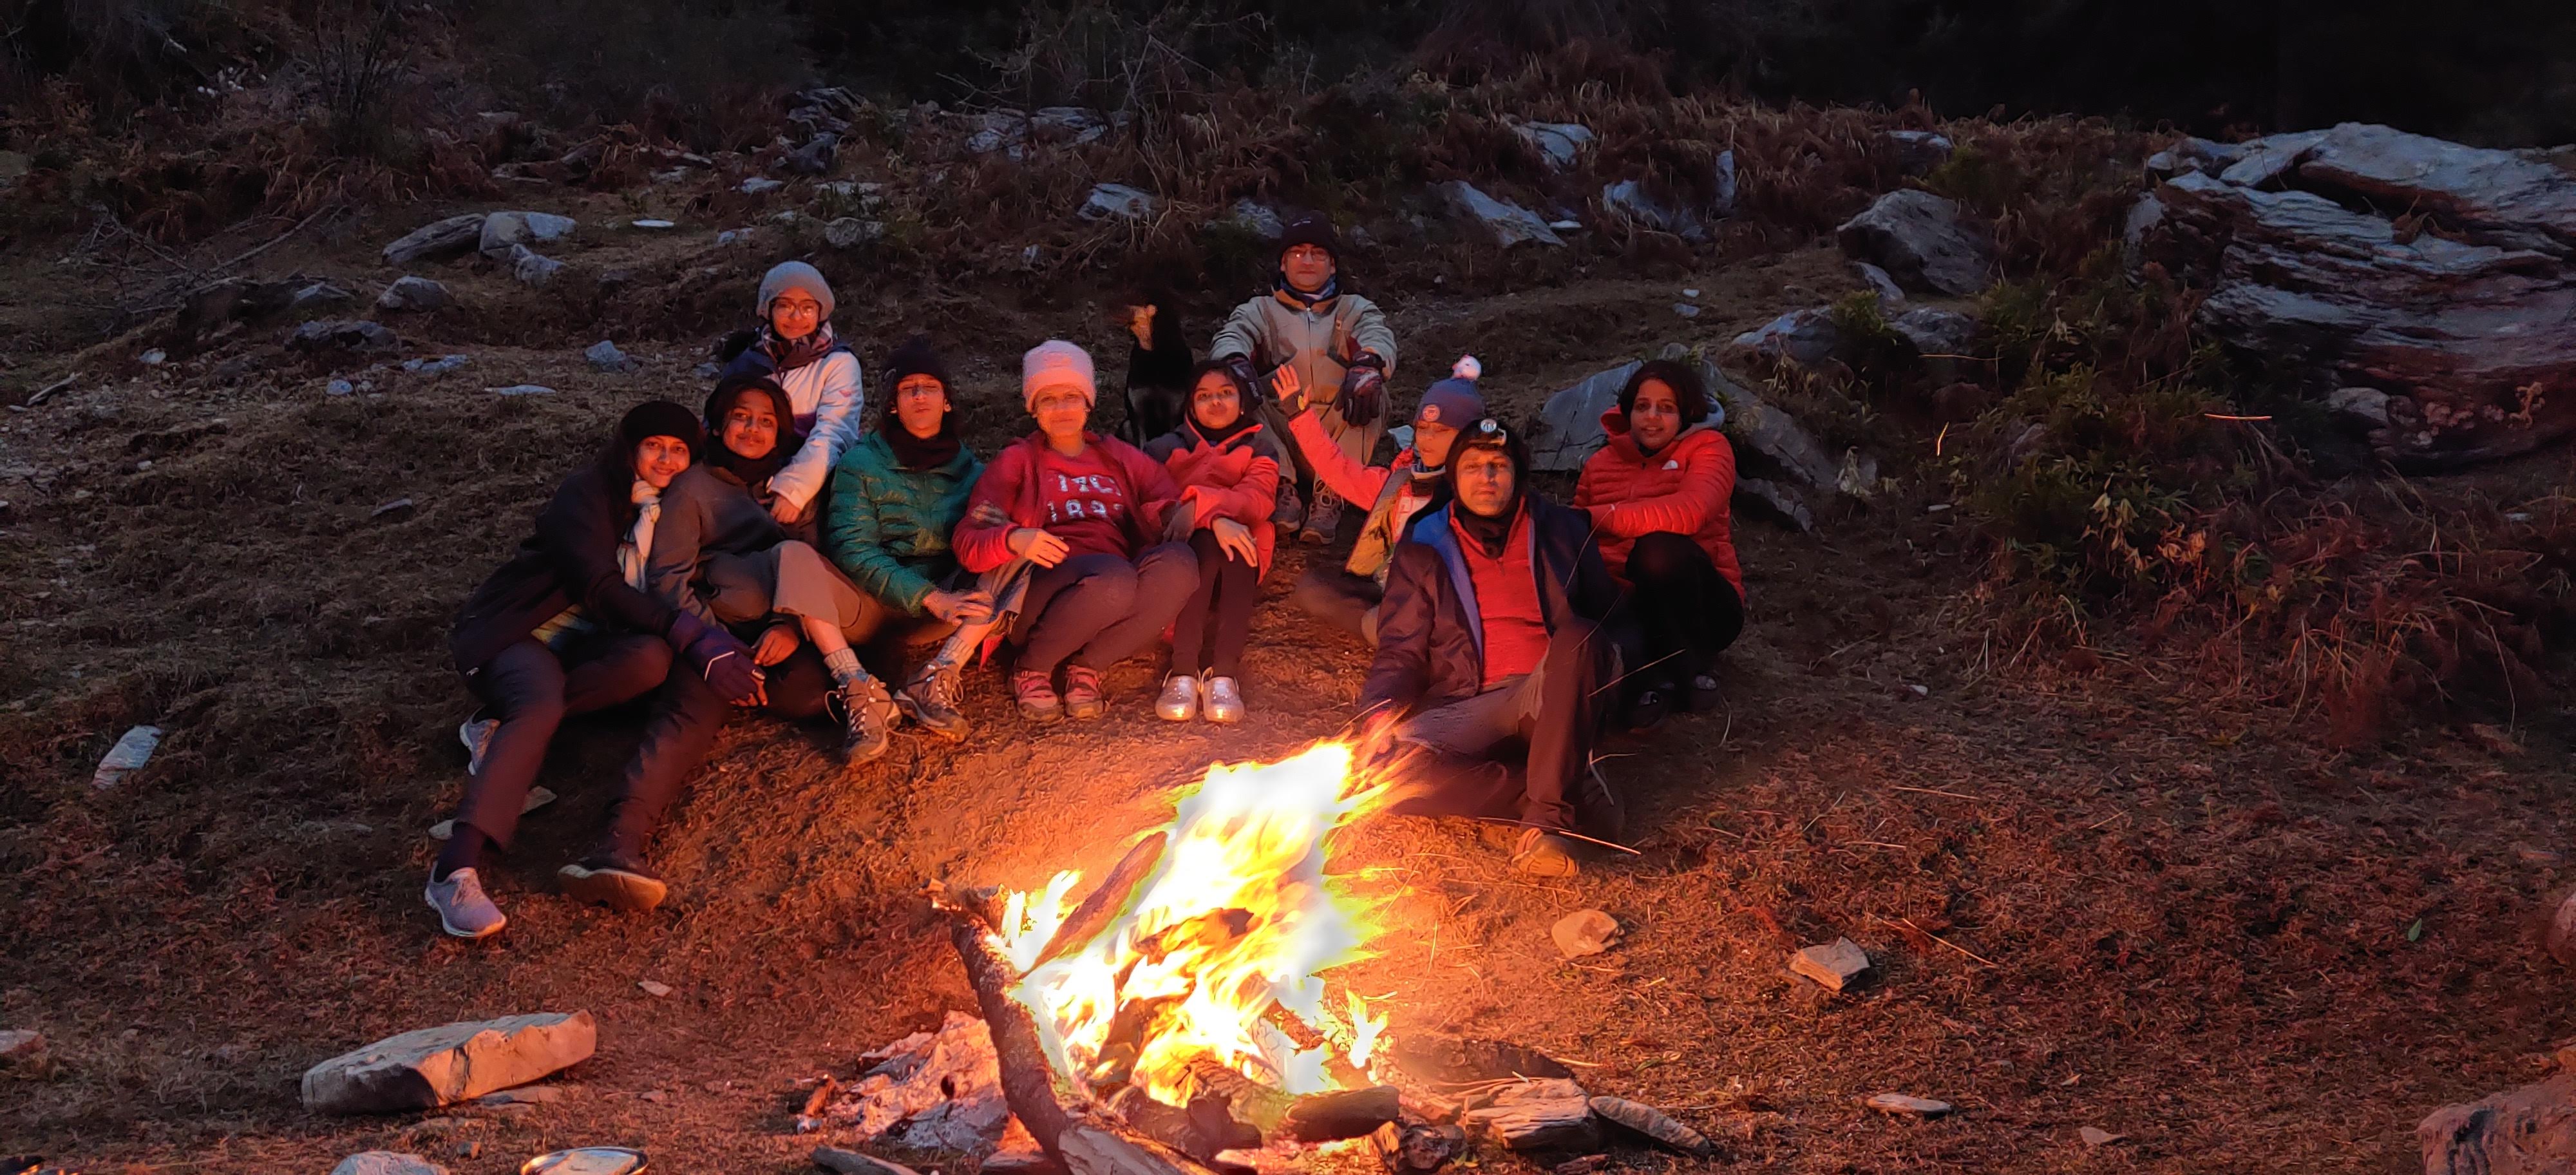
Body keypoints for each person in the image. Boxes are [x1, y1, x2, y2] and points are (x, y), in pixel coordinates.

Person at [433, 402, 766, 937]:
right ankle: (457, 867)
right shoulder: (587, 493)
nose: (666, 458)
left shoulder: (671, 510)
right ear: (630, 448)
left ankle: (500, 726)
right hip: (517, 634)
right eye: (654, 446)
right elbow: (599, 585)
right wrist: (691, 635)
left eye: (679, 449)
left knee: (649, 662)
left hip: (589, 646)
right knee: (538, 700)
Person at [1359, 417, 1626, 879]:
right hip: (1469, 700)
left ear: (1517, 474)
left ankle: (1547, 821)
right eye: (1473, 467)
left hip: (1549, 689)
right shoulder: (1424, 543)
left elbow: (1610, 620)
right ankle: (1567, 790)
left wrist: (1625, 682)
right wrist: (1380, 714)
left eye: (1498, 466)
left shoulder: (1563, 530)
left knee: (1579, 635)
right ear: (1454, 477)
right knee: (1384, 779)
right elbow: (1400, 649)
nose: (1486, 478)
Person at [649, 373, 903, 762]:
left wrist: (789, 626)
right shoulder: (692, 489)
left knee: (793, 556)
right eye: (741, 417)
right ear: (718, 426)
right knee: (807, 698)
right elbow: (669, 581)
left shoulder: (792, 483)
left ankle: (857, 684)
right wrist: (721, 647)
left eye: (766, 422)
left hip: (815, 617)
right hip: (742, 629)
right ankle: (867, 693)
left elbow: (815, 561)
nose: (753, 429)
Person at [952, 341, 1198, 722]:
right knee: (1113, 579)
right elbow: (968, 543)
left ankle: (1088, 667)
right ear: (1032, 408)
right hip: (1043, 594)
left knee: (1180, 563)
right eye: (1048, 399)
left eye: (1072, 396)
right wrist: (1014, 538)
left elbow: (1166, 497)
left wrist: (1179, 513)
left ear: (1089, 402)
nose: (1063, 408)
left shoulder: (1117, 455)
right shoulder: (1018, 461)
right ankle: (1032, 667)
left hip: (1118, 586)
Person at [821, 336, 996, 741]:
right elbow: (852, 548)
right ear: (893, 405)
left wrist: (1001, 528)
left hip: (944, 613)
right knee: (792, 558)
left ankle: (938, 674)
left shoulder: (971, 470)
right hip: (872, 606)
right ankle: (858, 686)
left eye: (930, 387)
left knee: (1015, 547)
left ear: (947, 401)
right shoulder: (861, 464)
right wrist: (931, 597)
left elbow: (986, 541)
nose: (920, 395)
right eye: (908, 388)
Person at [1572, 359, 1745, 725]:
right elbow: (1577, 537)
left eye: (1666, 408)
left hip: (1703, 605)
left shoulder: (1710, 449)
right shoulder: (1600, 464)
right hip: (1626, 602)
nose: (1651, 417)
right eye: (1642, 406)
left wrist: (1601, 517)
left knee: (1657, 552)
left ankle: (1691, 667)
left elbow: (1692, 512)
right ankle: (1644, 682)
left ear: (1686, 414)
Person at [1211, 214, 1399, 545]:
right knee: (1235, 391)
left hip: (1337, 430)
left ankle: (1332, 494)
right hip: (1281, 427)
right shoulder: (1260, 310)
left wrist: (1369, 363)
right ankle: (1281, 486)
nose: (1308, 261)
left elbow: (1377, 335)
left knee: (1372, 391)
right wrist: (1234, 362)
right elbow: (1233, 335)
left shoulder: (1354, 308)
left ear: (1333, 265)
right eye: (1298, 253)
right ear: (1283, 264)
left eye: (1319, 254)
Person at [1279, 356, 1483, 646]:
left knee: (1400, 619)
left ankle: (1395, 633)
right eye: (1422, 428)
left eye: (1441, 431)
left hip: (1434, 601)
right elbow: (1340, 471)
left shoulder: (1475, 494)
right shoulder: (1400, 482)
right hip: (1385, 586)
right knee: (1311, 590)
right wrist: (1299, 416)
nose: (1427, 439)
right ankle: (1389, 631)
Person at [1142, 360, 1281, 723]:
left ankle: (1222, 673)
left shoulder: (1259, 448)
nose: (1215, 403)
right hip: (1182, 554)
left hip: (1241, 553)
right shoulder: (1164, 449)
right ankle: (1185, 671)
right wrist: (1211, 520)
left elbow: (1258, 499)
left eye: (1226, 393)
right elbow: (1148, 503)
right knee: (1204, 543)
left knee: (1233, 545)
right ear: (1190, 404)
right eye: (1204, 396)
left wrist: (1205, 508)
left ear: (1241, 401)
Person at [717, 261, 865, 529]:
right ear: (768, 309)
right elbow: (719, 420)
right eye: (785, 305)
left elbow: (835, 431)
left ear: (820, 312)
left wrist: (794, 488)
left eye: (807, 307)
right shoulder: (750, 359)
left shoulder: (837, 363)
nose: (796, 317)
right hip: (747, 471)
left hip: (813, 481)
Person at [1120, 296, 1193, 447]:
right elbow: (1135, 420)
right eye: (1133, 324)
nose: (1134, 329)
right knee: (1129, 427)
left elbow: (1181, 421)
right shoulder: (1138, 361)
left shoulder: (1181, 359)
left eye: (1139, 322)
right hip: (1141, 446)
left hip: (1175, 446)